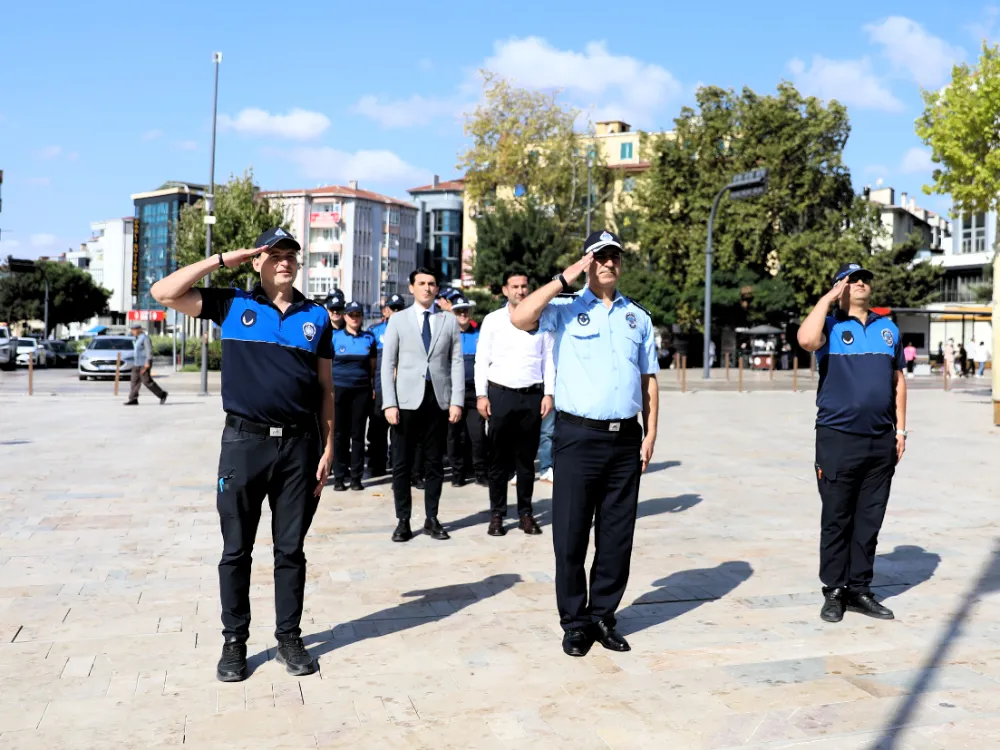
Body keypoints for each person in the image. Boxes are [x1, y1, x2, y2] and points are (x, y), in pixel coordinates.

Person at [150, 227, 334, 682]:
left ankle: (289, 637)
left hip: (298, 446)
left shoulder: (317, 317)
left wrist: (328, 446)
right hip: (244, 444)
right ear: (258, 262)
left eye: (291, 255)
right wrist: (222, 258)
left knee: (290, 549)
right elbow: (164, 292)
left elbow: (327, 389)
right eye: (274, 255)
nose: (284, 262)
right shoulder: (233, 304)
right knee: (237, 550)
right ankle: (235, 643)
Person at [510, 230, 659, 657]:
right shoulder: (565, 309)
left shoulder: (639, 318)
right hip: (577, 437)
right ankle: (574, 622)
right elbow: (520, 317)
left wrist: (651, 432)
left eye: (614, 256)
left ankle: (601, 616)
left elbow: (649, 380)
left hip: (625, 438)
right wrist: (566, 275)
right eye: (599, 256)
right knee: (572, 535)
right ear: (588, 263)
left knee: (616, 537)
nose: (608, 263)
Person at [797, 262, 907, 625]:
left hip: (880, 439)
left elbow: (898, 382)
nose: (860, 284)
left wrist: (901, 431)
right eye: (851, 280)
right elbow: (805, 341)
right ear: (838, 288)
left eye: (864, 280)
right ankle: (834, 591)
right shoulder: (829, 326)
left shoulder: (888, 329)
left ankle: (860, 589)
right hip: (837, 438)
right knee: (837, 517)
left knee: (869, 519)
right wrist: (828, 298)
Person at [380, 267, 464, 543]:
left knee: (434, 464)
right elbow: (387, 364)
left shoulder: (448, 321)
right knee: (402, 464)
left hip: (438, 400)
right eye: (422, 283)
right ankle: (403, 520)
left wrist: (457, 401)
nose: (427, 288)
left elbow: (456, 363)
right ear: (411, 287)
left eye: (432, 284)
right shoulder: (399, 321)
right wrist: (389, 403)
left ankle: (432, 517)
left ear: (437, 289)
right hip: (405, 401)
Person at [476, 269, 554, 537]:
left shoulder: (541, 321)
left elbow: (549, 361)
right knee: (498, 460)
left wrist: (549, 394)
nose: (520, 291)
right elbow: (481, 360)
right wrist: (481, 395)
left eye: (524, 286)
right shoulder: (493, 320)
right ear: (504, 290)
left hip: (532, 396)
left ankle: (525, 513)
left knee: (525, 461)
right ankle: (497, 514)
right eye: (515, 286)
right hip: (500, 395)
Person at [331, 301, 377, 492]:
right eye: (351, 315)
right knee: (340, 435)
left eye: (358, 315)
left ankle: (356, 478)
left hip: (361, 391)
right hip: (339, 390)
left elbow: (372, 366)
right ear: (345, 316)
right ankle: (340, 477)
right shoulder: (334, 338)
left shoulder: (369, 338)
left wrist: (371, 386)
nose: (355, 318)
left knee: (357, 435)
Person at [449, 295, 488, 487]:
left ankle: (480, 472)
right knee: (456, 435)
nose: (462, 314)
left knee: (477, 434)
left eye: (465, 310)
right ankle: (458, 473)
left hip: (474, 391)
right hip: (453, 392)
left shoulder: (479, 335)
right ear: (453, 313)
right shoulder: (448, 336)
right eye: (458, 311)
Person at [367, 294, 406, 477]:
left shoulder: (411, 331)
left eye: (400, 308)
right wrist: (372, 386)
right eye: (393, 308)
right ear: (385, 310)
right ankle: (377, 464)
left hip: (403, 389)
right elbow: (370, 362)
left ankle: (398, 464)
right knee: (377, 429)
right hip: (381, 387)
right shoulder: (375, 332)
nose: (396, 312)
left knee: (401, 430)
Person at [124, 323, 167, 406]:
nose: (133, 331)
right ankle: (133, 399)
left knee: (147, 381)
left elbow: (149, 350)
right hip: (136, 363)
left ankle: (162, 394)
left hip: (144, 363)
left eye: (134, 330)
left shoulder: (145, 338)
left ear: (139, 330)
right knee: (134, 381)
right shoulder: (137, 338)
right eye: (132, 330)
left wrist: (148, 362)